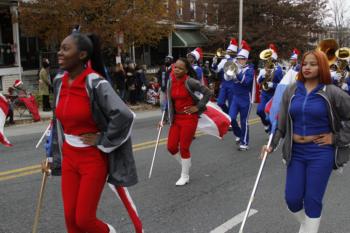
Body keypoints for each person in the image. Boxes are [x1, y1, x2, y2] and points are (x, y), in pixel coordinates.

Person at [47, 32, 138, 233]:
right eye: (60, 48)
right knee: (71, 220)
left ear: (82, 55)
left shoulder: (95, 83)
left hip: (92, 159)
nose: (59, 53)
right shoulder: (59, 81)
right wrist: (51, 155)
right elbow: (58, 121)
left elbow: (124, 115)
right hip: (69, 156)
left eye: (65, 49)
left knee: (84, 220)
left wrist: (103, 138)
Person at [262, 50, 350, 233]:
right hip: (296, 152)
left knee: (312, 199)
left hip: (320, 152)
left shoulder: (332, 92)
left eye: (313, 64)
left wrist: (336, 138)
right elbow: (281, 125)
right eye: (305, 64)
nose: (307, 67)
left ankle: (310, 227)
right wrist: (272, 144)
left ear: (322, 66)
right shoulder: (291, 90)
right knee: (292, 199)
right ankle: (308, 223)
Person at [161, 57, 211, 186]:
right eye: (175, 67)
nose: (176, 70)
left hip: (189, 118)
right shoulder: (171, 82)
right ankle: (186, 163)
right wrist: (165, 117)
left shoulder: (190, 82)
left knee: (184, 147)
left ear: (186, 71)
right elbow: (169, 102)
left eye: (180, 68)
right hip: (176, 118)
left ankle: (185, 175)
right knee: (171, 147)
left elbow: (207, 92)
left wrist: (197, 107)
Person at [228, 40, 254, 151]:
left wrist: (237, 72)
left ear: (246, 59)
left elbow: (246, 82)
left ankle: (244, 143)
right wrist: (229, 73)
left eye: (242, 59)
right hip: (235, 98)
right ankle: (239, 134)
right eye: (238, 59)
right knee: (231, 118)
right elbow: (227, 78)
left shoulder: (250, 70)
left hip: (245, 99)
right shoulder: (235, 67)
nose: (239, 61)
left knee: (244, 121)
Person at [256, 43, 283, 133]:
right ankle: (266, 124)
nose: (268, 60)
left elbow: (282, 85)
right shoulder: (264, 69)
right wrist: (264, 75)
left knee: (272, 114)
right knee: (260, 111)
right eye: (267, 59)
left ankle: (272, 134)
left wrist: (273, 85)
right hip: (264, 93)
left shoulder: (279, 70)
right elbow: (258, 81)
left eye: (270, 59)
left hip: (274, 95)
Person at [211, 38, 238, 113]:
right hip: (224, 85)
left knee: (231, 104)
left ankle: (231, 118)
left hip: (232, 85)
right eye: (227, 51)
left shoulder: (236, 61)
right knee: (220, 103)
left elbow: (234, 69)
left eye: (229, 52)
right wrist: (214, 63)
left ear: (234, 52)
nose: (227, 53)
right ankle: (228, 114)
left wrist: (229, 59)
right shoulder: (223, 60)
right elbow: (216, 70)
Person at [156, 55, 173, 122]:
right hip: (163, 89)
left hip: (170, 89)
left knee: (169, 104)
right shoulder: (162, 68)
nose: (166, 61)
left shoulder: (173, 68)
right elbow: (158, 75)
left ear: (171, 61)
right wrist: (159, 83)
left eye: (168, 59)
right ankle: (164, 117)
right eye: (165, 59)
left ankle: (170, 117)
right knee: (162, 103)